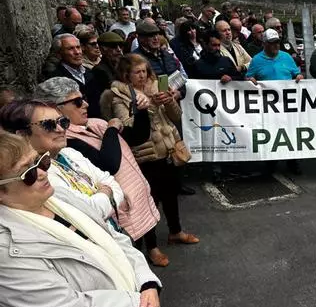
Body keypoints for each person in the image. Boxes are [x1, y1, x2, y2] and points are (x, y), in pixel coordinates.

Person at [0, 131, 161, 307]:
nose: (42, 172)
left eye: (41, 162)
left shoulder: (58, 197)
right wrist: (139, 306)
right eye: (28, 172)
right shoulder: (6, 249)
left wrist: (147, 285)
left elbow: (115, 239)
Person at [35, 77, 170, 266]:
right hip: (120, 213)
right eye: (77, 101)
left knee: (137, 262)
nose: (86, 104)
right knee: (129, 262)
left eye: (83, 98)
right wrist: (112, 130)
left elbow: (137, 137)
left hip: (132, 201)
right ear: (54, 108)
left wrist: (140, 112)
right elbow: (109, 164)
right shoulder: (66, 141)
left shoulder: (94, 123)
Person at [103, 54, 199, 248]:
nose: (142, 76)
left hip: (169, 150)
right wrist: (148, 107)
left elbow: (176, 117)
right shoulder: (118, 96)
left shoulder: (157, 86)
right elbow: (129, 127)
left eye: (144, 71)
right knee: (149, 202)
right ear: (125, 75)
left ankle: (176, 232)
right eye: (137, 72)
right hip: (146, 155)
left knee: (171, 194)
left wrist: (169, 101)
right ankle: (152, 247)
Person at [0, 100, 124, 227]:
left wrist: (102, 197)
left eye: (63, 122)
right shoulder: (35, 175)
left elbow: (114, 184)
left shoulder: (70, 153)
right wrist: (105, 192)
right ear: (22, 134)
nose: (60, 129)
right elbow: (90, 213)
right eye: (48, 125)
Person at [246, 29, 304, 175]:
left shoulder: (286, 57)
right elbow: (248, 77)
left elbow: (296, 73)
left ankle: (293, 162)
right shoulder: (257, 60)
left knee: (290, 132)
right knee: (271, 133)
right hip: (268, 106)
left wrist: (299, 77)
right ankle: (271, 163)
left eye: (277, 42)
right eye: (272, 43)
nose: (276, 45)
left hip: (287, 104)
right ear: (264, 44)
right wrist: (249, 80)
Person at [133, 21, 186, 99]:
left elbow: (179, 79)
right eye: (151, 35)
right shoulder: (135, 59)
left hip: (173, 104)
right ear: (141, 39)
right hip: (152, 105)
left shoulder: (167, 55)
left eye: (157, 34)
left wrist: (179, 93)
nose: (156, 38)